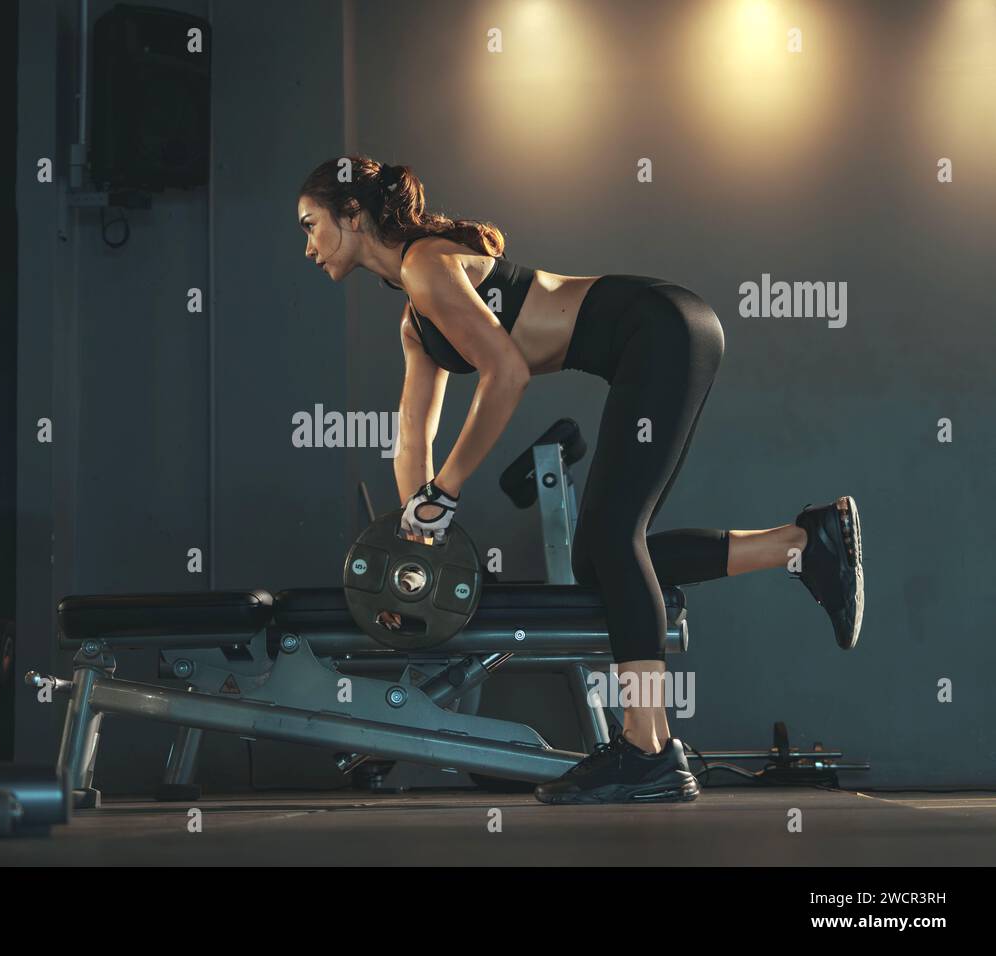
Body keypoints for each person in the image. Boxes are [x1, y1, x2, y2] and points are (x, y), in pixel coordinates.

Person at [297, 155, 864, 805]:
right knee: (604, 559)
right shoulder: (415, 319)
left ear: (352, 215)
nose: (308, 246)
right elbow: (412, 438)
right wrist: (414, 547)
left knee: (616, 540)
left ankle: (650, 749)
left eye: (312, 224)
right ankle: (801, 543)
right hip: (656, 337)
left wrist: (445, 492)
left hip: (661, 328)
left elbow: (504, 375)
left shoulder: (427, 265)